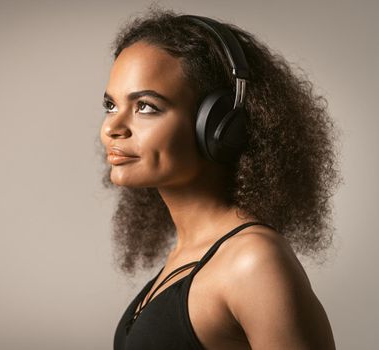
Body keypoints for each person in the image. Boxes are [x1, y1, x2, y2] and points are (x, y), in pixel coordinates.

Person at [98, 7, 341, 350]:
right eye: (111, 105)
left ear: (218, 126)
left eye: (146, 106)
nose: (112, 128)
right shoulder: (187, 255)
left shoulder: (252, 261)